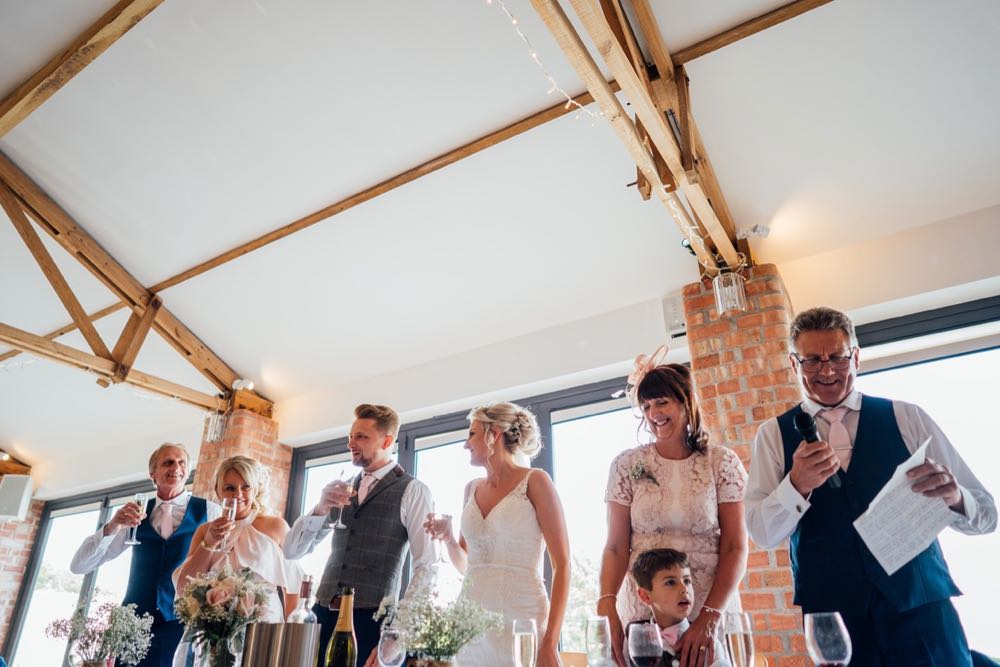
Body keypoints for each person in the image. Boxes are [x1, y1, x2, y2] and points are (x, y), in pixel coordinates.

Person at [745, 306, 998, 666]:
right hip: (836, 621)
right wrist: (796, 485)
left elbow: (987, 515)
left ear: (856, 357)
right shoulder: (772, 435)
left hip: (922, 608)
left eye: (837, 357)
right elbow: (762, 533)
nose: (827, 371)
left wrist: (956, 497)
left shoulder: (907, 417)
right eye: (812, 360)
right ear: (793, 364)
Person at [600, 349, 748, 667]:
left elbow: (735, 546)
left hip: (708, 603)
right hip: (645, 605)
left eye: (661, 402)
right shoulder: (627, 465)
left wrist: (709, 616)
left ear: (685, 402)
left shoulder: (721, 462)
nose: (653, 413)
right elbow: (615, 547)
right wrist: (606, 604)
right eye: (646, 406)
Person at [284, 404, 435, 667]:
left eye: (361, 437)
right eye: (350, 436)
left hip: (372, 623)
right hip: (323, 616)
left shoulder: (413, 490)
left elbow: (427, 565)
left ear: (387, 441)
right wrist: (320, 508)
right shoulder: (341, 489)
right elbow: (291, 551)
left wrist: (397, 633)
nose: (351, 443)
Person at [425, 402, 570, 667]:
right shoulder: (470, 489)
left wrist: (550, 642)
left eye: (472, 434)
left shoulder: (536, 481)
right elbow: (467, 566)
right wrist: (448, 538)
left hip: (521, 618)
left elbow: (562, 565)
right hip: (470, 622)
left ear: (494, 434)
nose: (465, 444)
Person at [70, 443, 220, 667]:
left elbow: (220, 566)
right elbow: (79, 566)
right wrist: (113, 526)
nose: (176, 467)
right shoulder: (134, 514)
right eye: (168, 462)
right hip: (134, 625)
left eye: (181, 463)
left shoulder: (210, 511)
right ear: (153, 474)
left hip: (182, 625)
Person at [174, 455, 300, 622]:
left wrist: (289, 631)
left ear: (255, 489)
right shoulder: (205, 530)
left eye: (245, 486)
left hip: (264, 625)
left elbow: (293, 587)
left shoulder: (276, 527)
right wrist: (209, 543)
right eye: (230, 488)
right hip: (216, 626)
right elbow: (185, 587)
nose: (238, 494)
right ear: (218, 491)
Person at [626, 548, 730, 667]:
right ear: (645, 596)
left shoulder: (706, 641)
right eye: (671, 582)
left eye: (687, 581)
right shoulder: (633, 639)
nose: (684, 589)